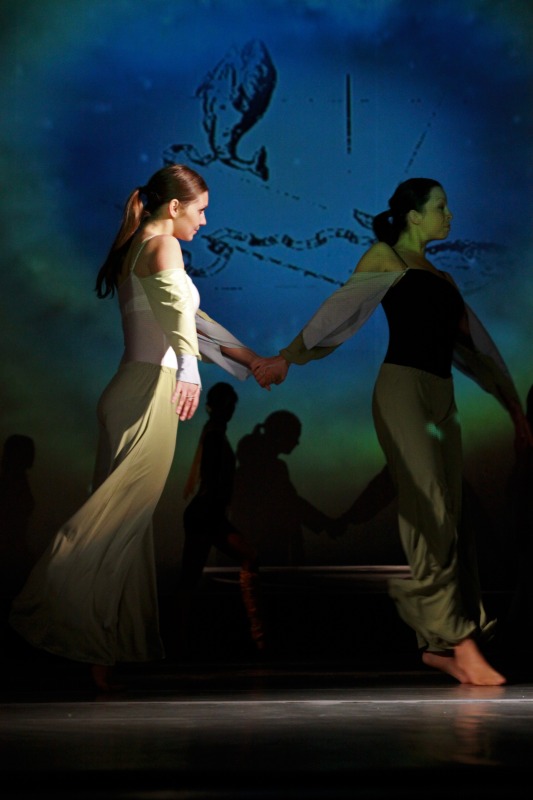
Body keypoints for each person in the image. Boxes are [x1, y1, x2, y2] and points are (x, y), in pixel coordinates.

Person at [253, 177, 533, 686]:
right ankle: (460, 641)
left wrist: (515, 410)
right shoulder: (387, 257)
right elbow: (340, 311)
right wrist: (288, 358)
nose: (450, 215)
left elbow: (480, 352)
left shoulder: (443, 279)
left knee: (451, 516)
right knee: (430, 507)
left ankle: (438, 645)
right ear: (413, 214)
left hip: (441, 397)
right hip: (402, 390)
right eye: (441, 206)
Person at [9, 164, 268, 691]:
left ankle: (100, 652)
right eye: (200, 211)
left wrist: (251, 360)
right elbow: (177, 314)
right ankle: (52, 612)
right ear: (174, 207)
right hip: (150, 392)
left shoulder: (138, 248)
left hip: (131, 388)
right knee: (115, 519)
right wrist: (190, 369)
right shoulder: (164, 246)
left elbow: (190, 320)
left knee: (125, 521)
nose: (204, 222)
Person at [178, 381, 266, 656]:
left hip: (208, 514)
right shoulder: (215, 435)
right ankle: (255, 635)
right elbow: (212, 478)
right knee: (190, 580)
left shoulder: (214, 433)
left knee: (191, 579)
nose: (231, 410)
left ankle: (256, 635)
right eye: (228, 405)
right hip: (206, 515)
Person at [229, 410, 332, 566]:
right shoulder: (272, 468)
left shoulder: (251, 466)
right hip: (265, 550)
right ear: (282, 434)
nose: (297, 442)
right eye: (294, 435)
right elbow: (291, 503)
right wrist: (326, 523)